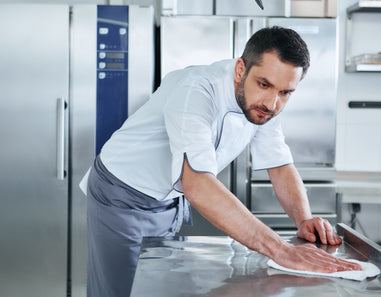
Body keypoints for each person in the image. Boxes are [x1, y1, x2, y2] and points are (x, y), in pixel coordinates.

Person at [83, 26, 361, 297]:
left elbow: (280, 164)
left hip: (169, 201)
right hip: (122, 196)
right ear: (241, 70)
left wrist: (304, 219)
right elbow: (198, 185)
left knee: (157, 286)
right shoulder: (196, 90)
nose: (272, 103)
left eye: (285, 92)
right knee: (121, 291)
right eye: (264, 84)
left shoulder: (264, 103)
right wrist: (282, 250)